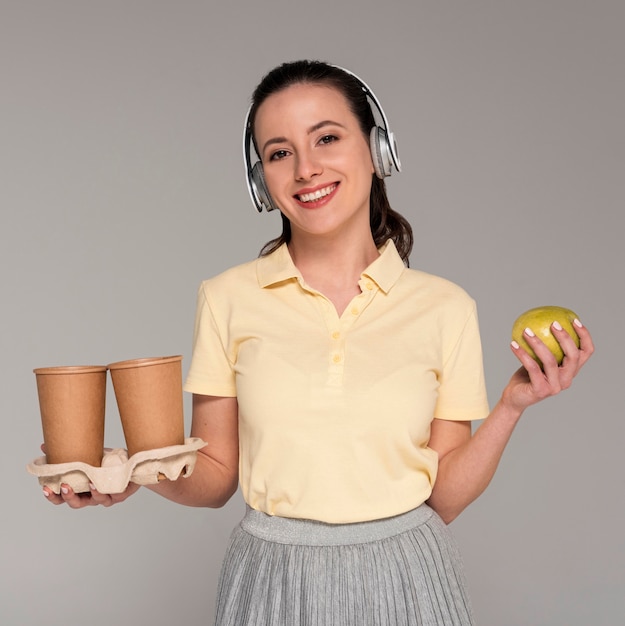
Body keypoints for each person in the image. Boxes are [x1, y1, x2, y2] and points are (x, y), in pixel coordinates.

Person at [43, 60, 594, 625]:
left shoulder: (445, 307)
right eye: (280, 153)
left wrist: (511, 406)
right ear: (263, 181)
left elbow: (444, 497)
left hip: (408, 576)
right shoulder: (227, 297)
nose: (306, 169)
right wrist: (137, 473)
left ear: (377, 151)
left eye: (327, 138)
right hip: (272, 578)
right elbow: (214, 479)